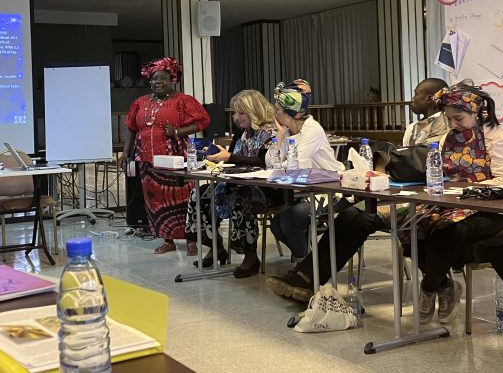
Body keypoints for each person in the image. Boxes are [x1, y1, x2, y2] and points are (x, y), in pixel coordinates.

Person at [266, 77, 450, 302]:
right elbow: (404, 162)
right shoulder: (413, 128)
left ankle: (440, 284)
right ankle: (307, 278)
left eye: (416, 95)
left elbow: (428, 166)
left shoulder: (447, 130)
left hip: (429, 199)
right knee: (351, 215)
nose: (411, 99)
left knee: (404, 223)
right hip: (400, 193)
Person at [415, 81, 503, 324]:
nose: (453, 125)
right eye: (449, 120)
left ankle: (428, 289)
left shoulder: (500, 138)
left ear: (479, 113)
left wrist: (465, 189)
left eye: (458, 119)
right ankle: (444, 286)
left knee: (449, 229)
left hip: (490, 211)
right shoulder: (446, 139)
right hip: (450, 205)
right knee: (413, 227)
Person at [120, 57, 210, 255]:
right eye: (153, 79)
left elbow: (202, 122)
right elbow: (131, 128)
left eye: (162, 78)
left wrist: (178, 131)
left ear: (172, 79)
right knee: (155, 201)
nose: (157, 82)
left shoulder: (183, 100)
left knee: (182, 199)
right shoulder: (140, 102)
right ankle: (167, 239)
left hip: (175, 158)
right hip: (146, 160)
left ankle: (190, 239)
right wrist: (126, 152)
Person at [184, 89, 276, 278]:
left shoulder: (272, 132)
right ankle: (215, 246)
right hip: (237, 182)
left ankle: (250, 256)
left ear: (254, 111)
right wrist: (218, 158)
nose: (236, 117)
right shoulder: (242, 132)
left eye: (241, 113)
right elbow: (233, 157)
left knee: (242, 200)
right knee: (198, 195)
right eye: (235, 113)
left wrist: (230, 156)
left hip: (267, 188)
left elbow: (264, 162)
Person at [267, 80, 345, 262]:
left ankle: (306, 265)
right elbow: (270, 163)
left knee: (290, 219)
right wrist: (279, 136)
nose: (274, 113)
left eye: (278, 109)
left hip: (332, 190)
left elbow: (295, 166)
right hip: (307, 191)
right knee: (277, 224)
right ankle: (307, 260)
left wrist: (280, 162)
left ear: (290, 113)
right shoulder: (287, 131)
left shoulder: (312, 129)